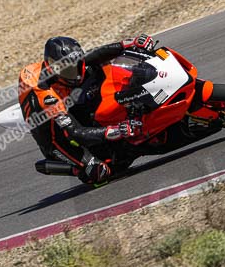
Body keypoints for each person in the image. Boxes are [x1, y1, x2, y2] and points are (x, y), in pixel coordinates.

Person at [18, 34, 156, 185]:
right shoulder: (45, 95)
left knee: (96, 72)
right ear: (54, 69)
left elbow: (91, 56)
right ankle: (76, 169)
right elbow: (75, 132)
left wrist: (127, 44)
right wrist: (117, 130)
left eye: (76, 66)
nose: (76, 75)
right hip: (53, 132)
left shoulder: (66, 66)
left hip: (66, 98)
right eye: (70, 71)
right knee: (100, 173)